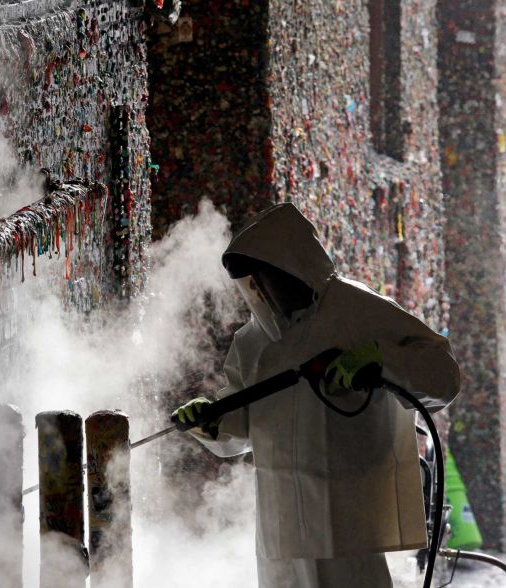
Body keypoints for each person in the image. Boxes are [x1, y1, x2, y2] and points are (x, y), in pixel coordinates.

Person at [173, 203, 461, 587]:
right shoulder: (254, 341)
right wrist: (212, 422)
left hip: (347, 516)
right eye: (252, 283)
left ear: (292, 269)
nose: (259, 292)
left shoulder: (358, 310)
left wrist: (380, 357)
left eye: (265, 279)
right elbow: (242, 427)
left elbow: (443, 376)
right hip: (280, 527)